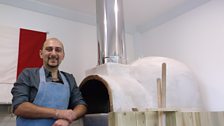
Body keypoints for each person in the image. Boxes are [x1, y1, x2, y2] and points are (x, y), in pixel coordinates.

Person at [11, 38, 87, 126]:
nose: (54, 53)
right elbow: (19, 106)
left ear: (63, 55)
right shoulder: (28, 74)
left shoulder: (69, 78)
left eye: (58, 50)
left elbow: (81, 105)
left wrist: (69, 118)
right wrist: (57, 113)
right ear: (41, 54)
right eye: (49, 49)